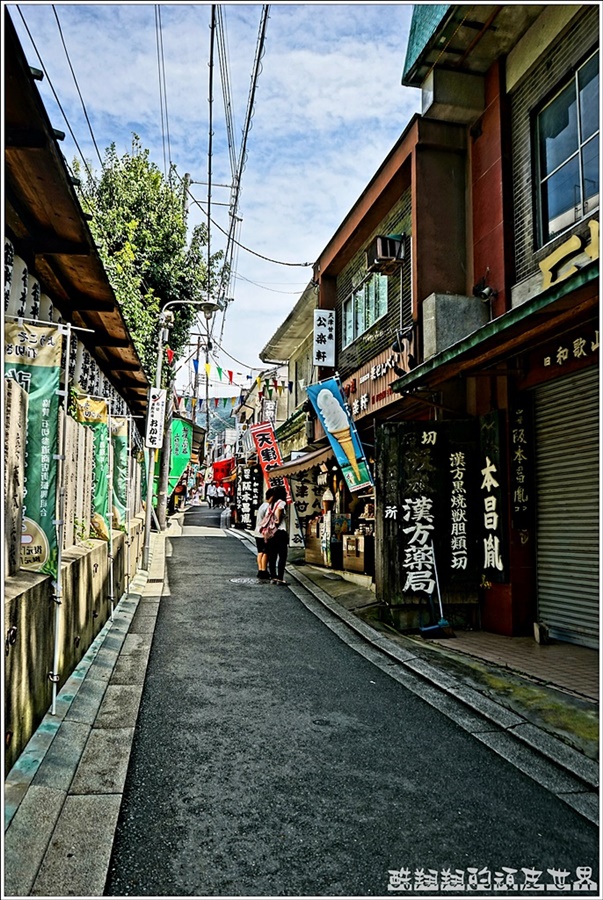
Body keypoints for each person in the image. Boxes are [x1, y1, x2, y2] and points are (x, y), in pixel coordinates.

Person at [265, 485, 289, 585]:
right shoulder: (281, 502)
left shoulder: (271, 505)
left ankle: (273, 577)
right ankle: (280, 578)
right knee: (282, 556)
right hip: (280, 532)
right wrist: (278, 519)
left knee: (272, 556)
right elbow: (280, 509)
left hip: (271, 533)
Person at [253, 487, 274, 580]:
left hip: (258, 532)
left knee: (260, 552)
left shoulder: (262, 505)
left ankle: (260, 570)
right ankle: (264, 571)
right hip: (264, 533)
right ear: (272, 497)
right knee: (266, 552)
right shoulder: (268, 507)